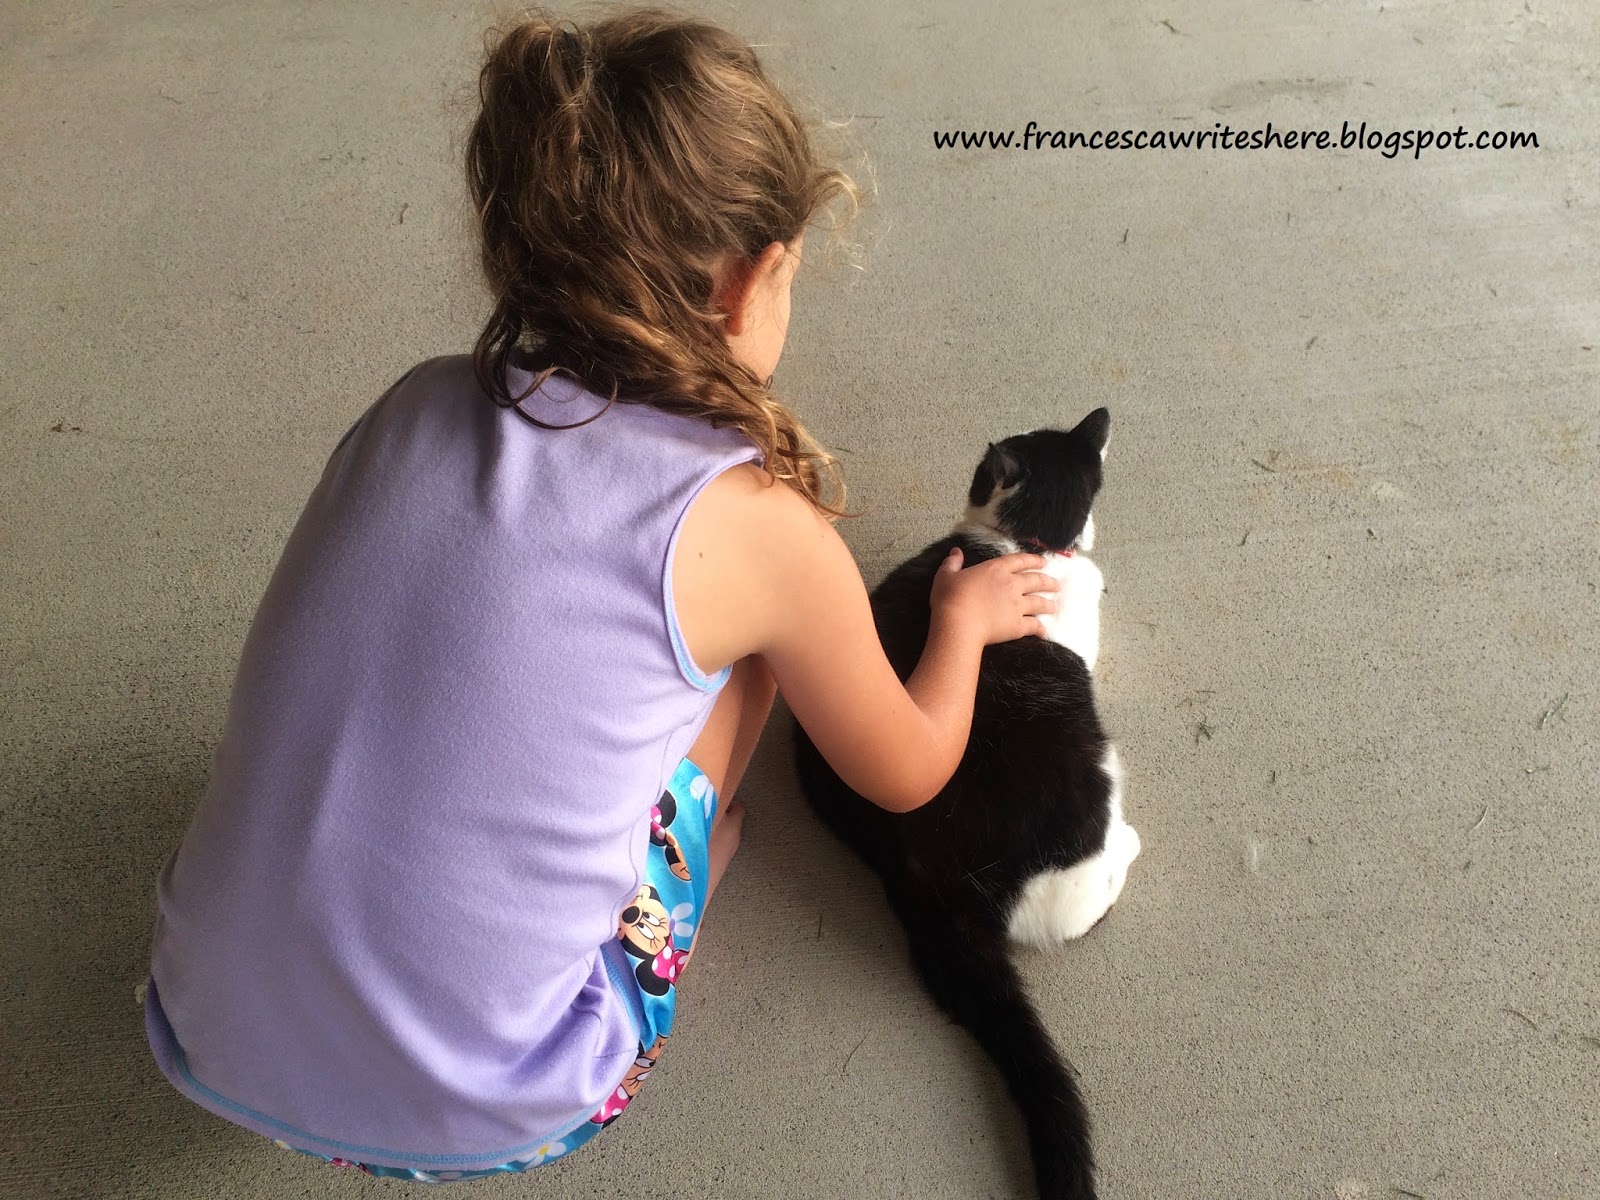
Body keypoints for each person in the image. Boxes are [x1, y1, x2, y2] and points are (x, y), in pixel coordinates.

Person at [142, 7, 1059, 1184]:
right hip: (500, 1102)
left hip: (198, 1028)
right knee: (757, 656)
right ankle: (674, 899)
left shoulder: (412, 402)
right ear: (752, 281)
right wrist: (961, 626)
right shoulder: (764, 530)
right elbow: (908, 770)